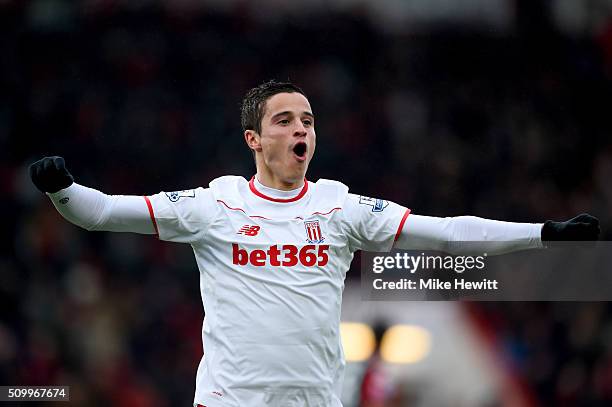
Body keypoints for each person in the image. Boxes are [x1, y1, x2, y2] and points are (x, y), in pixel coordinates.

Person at [29, 80, 600, 407]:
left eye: (307, 119)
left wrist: (542, 235)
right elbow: (102, 211)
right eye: (284, 120)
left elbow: (445, 230)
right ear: (254, 138)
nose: (301, 129)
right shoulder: (214, 205)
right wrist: (61, 190)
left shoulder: (339, 207)